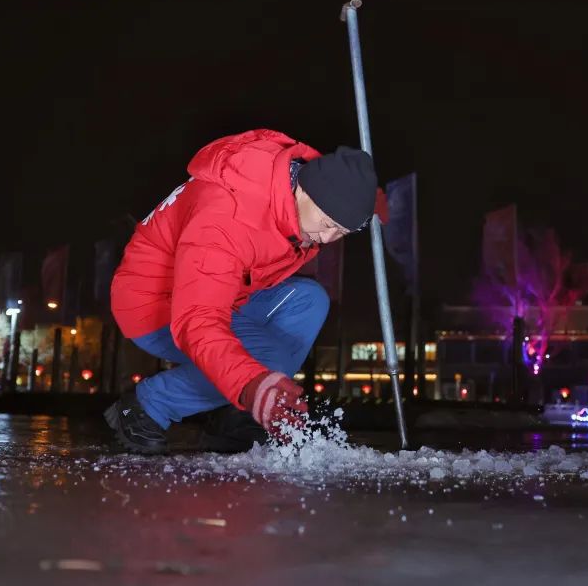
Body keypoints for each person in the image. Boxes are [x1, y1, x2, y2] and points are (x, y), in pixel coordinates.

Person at [103, 129, 381, 454]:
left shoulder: (294, 195)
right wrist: (252, 385)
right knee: (264, 361)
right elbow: (198, 320)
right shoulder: (227, 217)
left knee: (308, 302)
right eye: (328, 222)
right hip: (156, 304)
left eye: (342, 231)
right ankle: (148, 404)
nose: (328, 237)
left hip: (225, 293)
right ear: (305, 189)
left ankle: (236, 418)